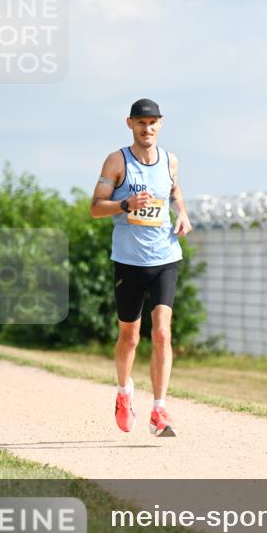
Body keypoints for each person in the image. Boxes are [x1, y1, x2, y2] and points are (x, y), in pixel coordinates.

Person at [89, 98, 192, 437]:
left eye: (153, 123)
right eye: (141, 123)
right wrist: (124, 203)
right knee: (130, 337)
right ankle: (123, 394)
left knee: (162, 331)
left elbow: (175, 190)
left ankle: (159, 411)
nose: (147, 129)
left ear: (160, 124)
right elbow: (95, 208)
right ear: (130, 124)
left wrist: (183, 214)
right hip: (129, 262)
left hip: (165, 258)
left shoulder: (170, 160)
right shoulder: (118, 161)